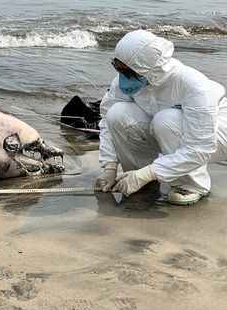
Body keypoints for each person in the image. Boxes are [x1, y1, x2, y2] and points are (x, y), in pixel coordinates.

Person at [95, 29, 227, 205]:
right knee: (117, 113)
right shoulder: (127, 81)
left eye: (127, 71)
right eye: (117, 67)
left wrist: (150, 172)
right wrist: (109, 166)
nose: (122, 77)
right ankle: (137, 177)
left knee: (166, 120)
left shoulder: (193, 86)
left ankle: (189, 185)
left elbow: (201, 148)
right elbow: (107, 121)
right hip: (171, 129)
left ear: (148, 68)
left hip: (215, 136)